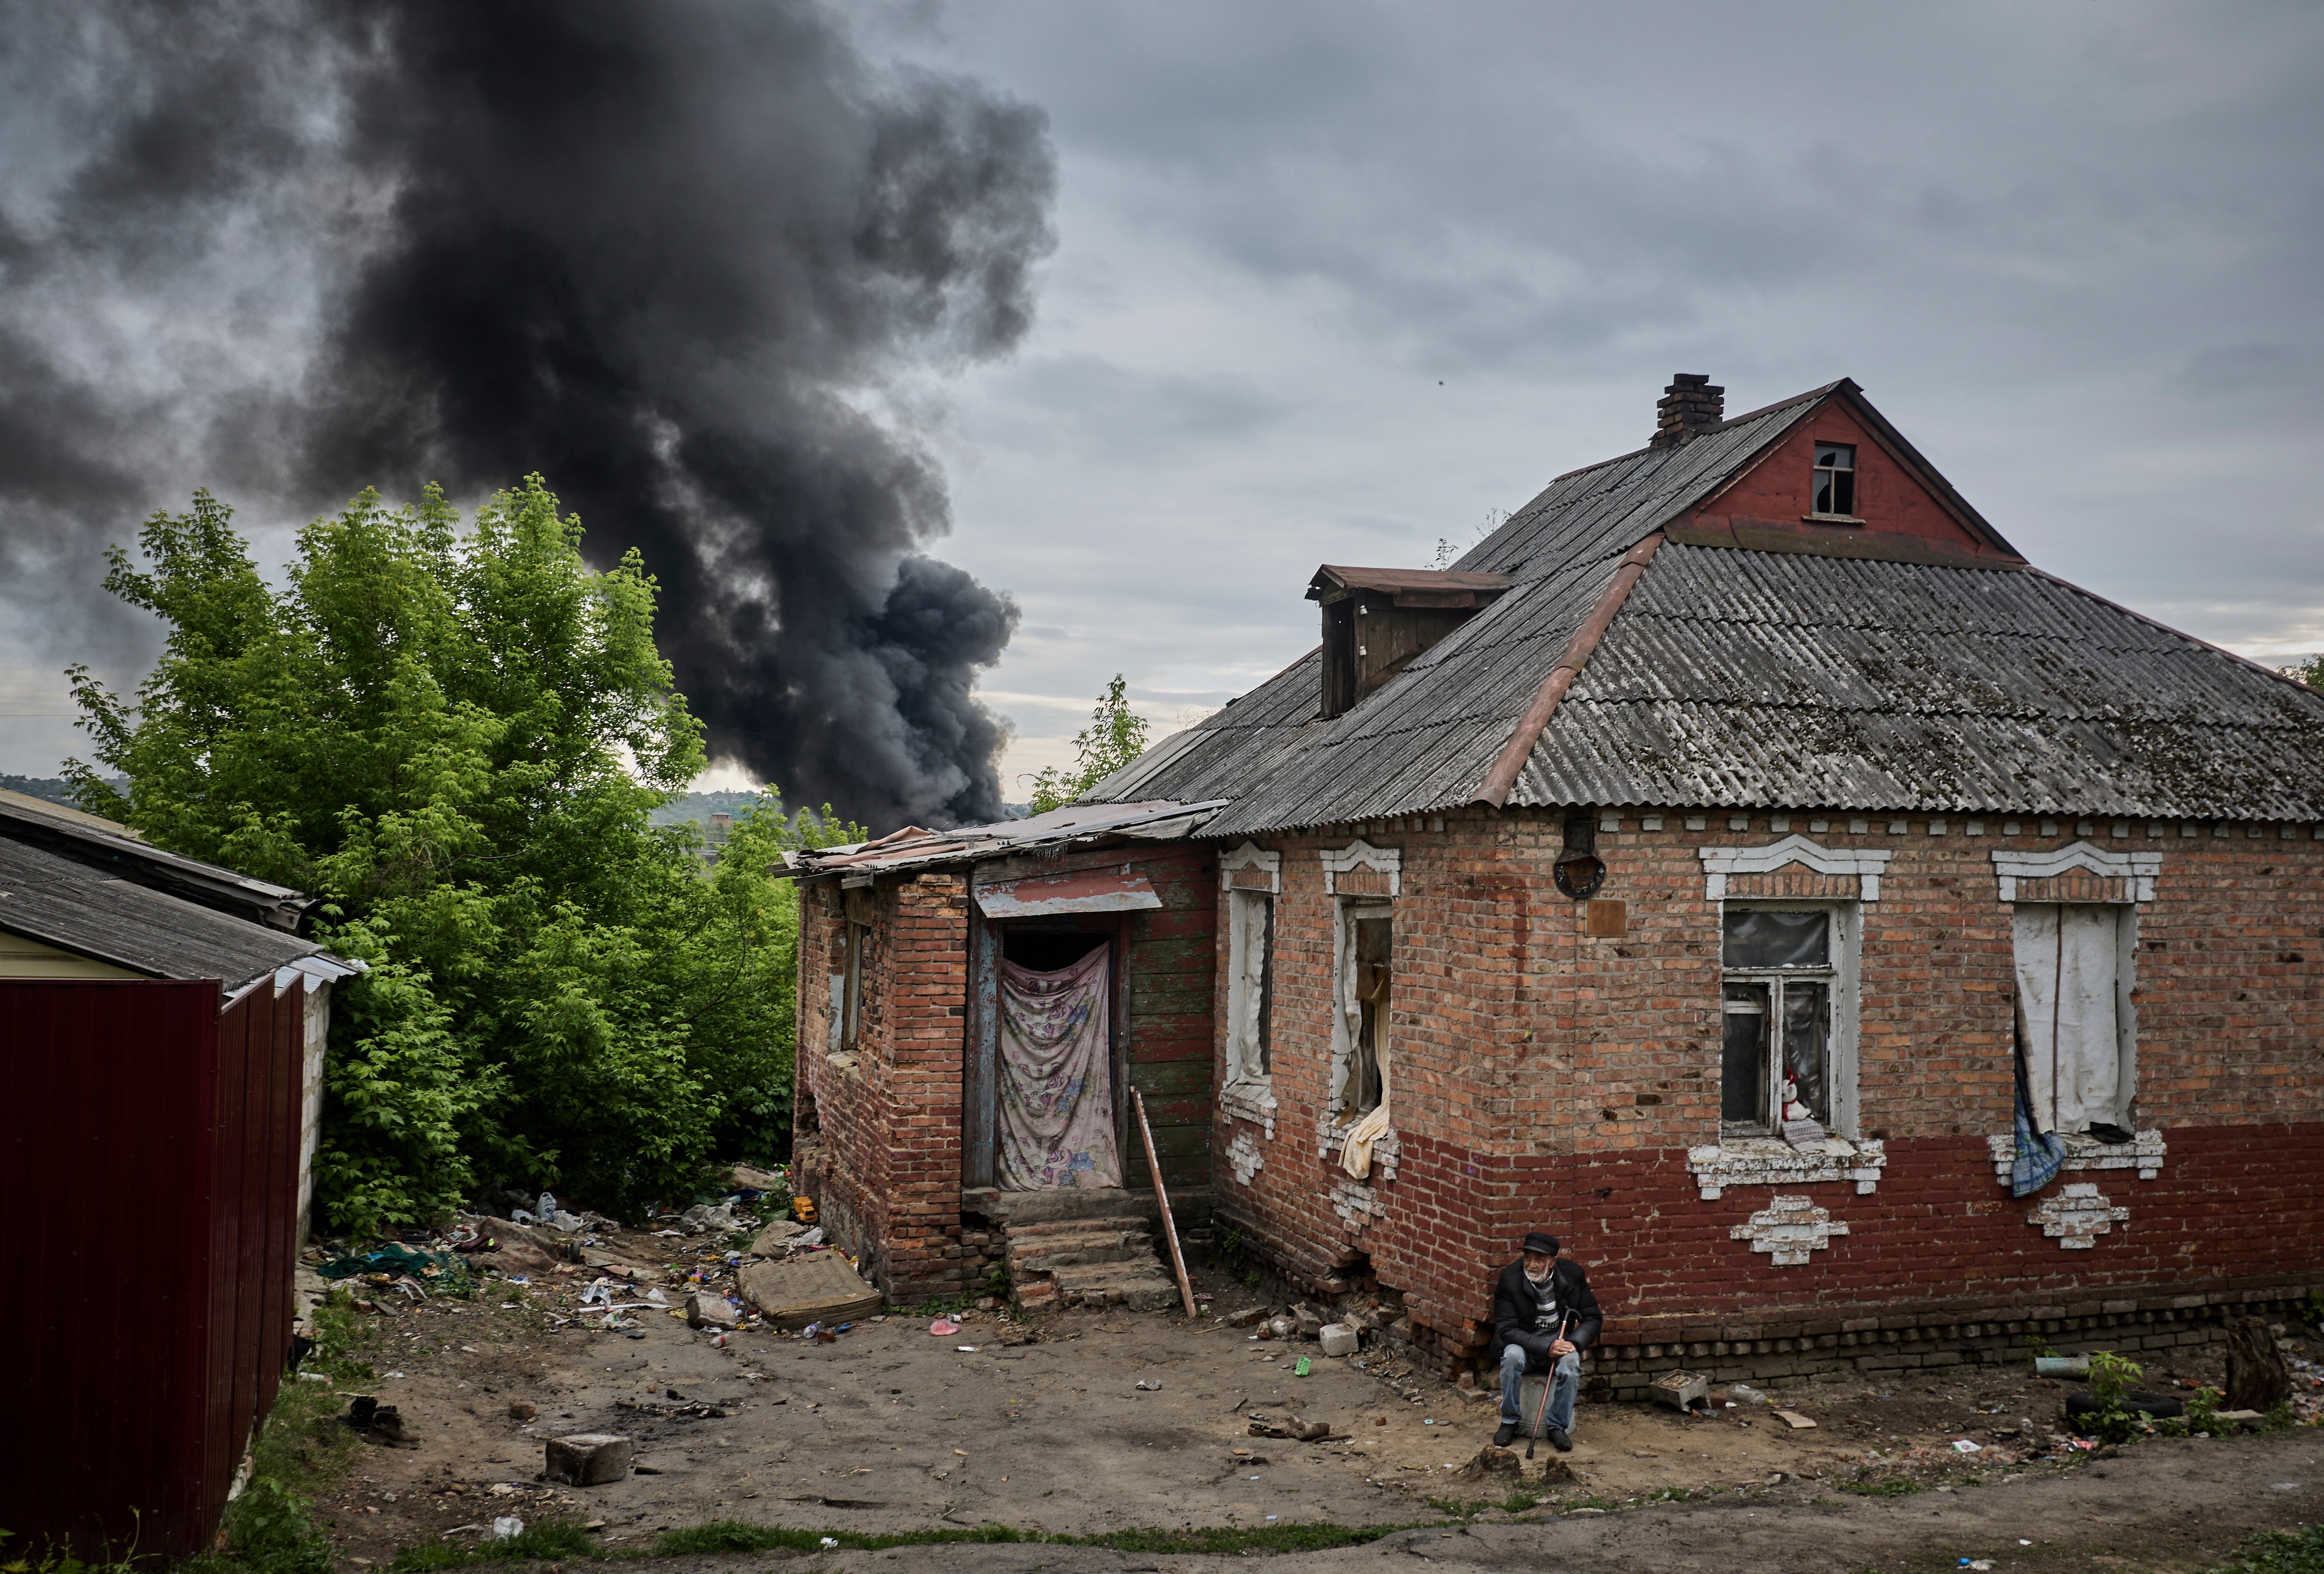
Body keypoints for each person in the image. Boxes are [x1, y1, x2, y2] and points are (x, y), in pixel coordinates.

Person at [1490, 1229, 1602, 1451]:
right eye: (1528, 1259)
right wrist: (1545, 1347)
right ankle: (1510, 1421)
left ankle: (1557, 1426)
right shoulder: (1511, 1279)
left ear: (1553, 1262)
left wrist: (1575, 1343)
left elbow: (1593, 1317)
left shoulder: (1572, 1274)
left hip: (1560, 1344)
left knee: (1571, 1363)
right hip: (1524, 1345)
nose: (1531, 1265)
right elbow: (1506, 1328)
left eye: (1539, 1260)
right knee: (1511, 1356)